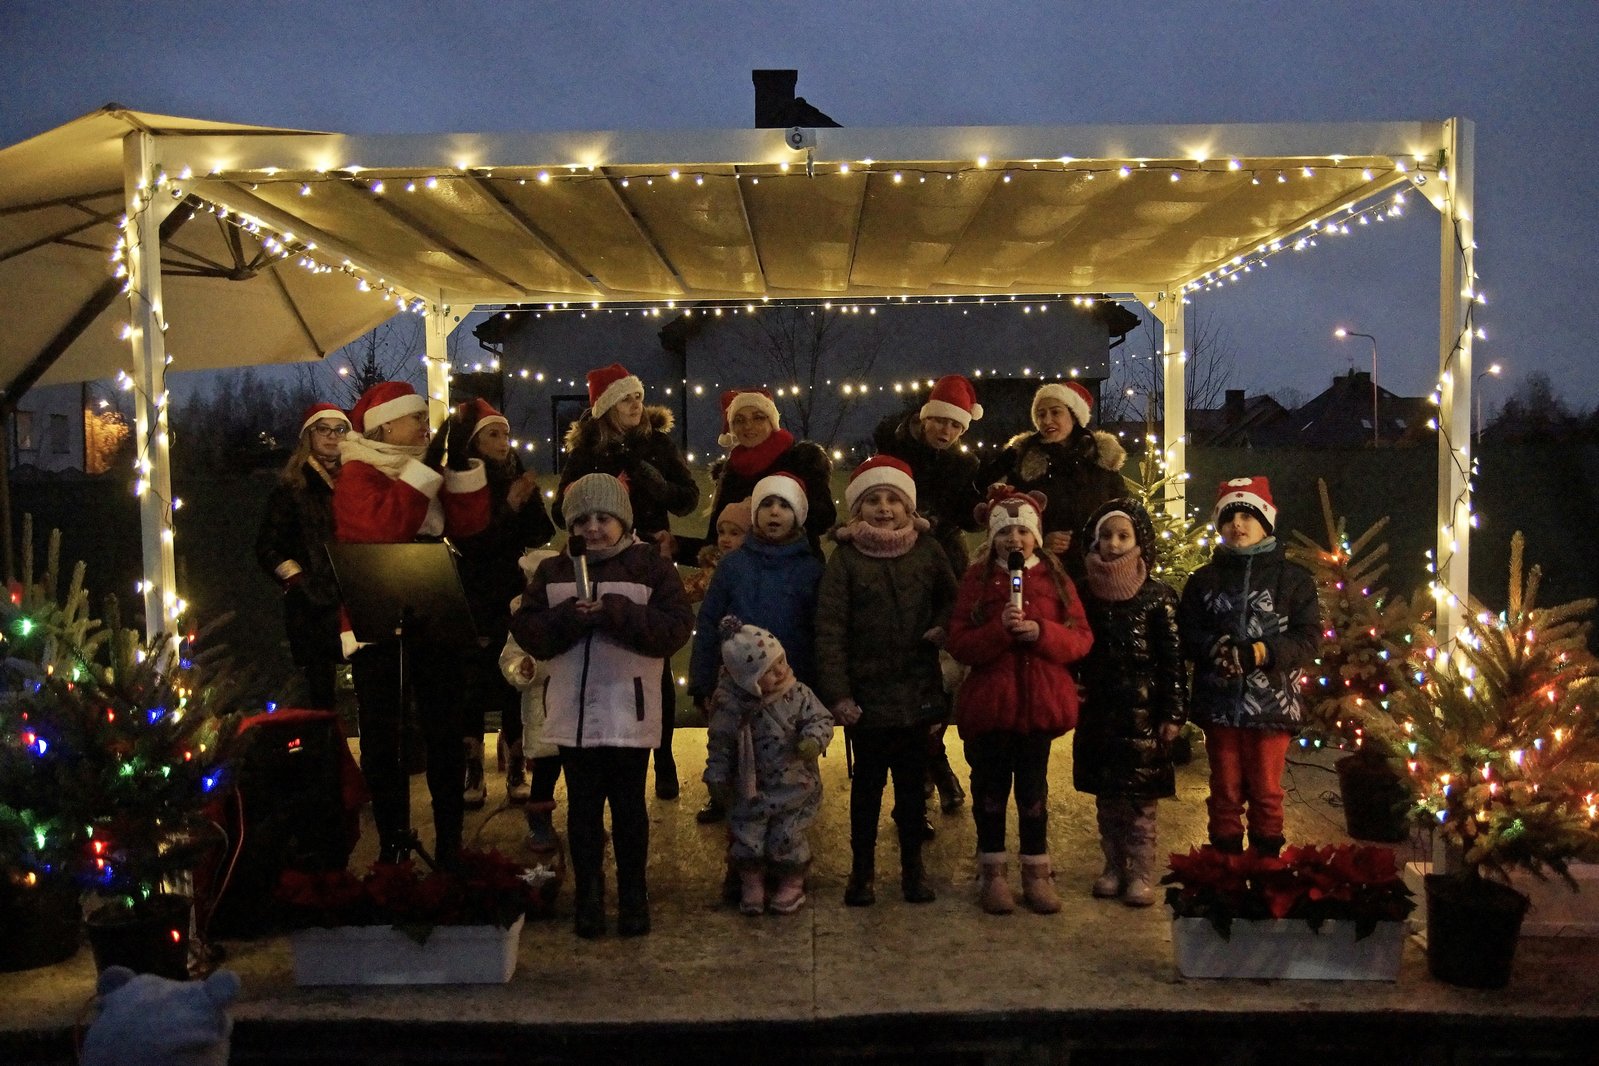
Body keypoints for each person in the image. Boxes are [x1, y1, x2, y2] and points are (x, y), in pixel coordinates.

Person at [510, 473, 694, 938]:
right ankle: (588, 897)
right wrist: (568, 618)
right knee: (583, 811)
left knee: (629, 809)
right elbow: (530, 630)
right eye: (582, 520)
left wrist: (615, 612)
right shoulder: (553, 571)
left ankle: (634, 896)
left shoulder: (650, 568)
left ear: (623, 521)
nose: (592, 528)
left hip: (628, 712)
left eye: (603, 518)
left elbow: (674, 628)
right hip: (573, 713)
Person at [332, 381, 490, 867]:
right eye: (415, 417)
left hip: (434, 604)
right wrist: (425, 472)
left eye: (425, 417)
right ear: (383, 427)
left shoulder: (424, 468)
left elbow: (471, 526)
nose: (425, 424)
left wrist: (459, 469)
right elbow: (386, 528)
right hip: (379, 618)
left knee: (445, 730)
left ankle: (449, 843)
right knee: (385, 738)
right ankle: (393, 845)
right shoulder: (357, 474)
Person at [815, 456, 958, 906]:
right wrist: (839, 693)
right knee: (867, 788)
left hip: (917, 691)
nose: (883, 508)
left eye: (893, 500)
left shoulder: (927, 551)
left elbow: (951, 599)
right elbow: (830, 628)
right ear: (857, 508)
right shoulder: (846, 559)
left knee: (912, 789)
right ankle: (862, 871)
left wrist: (942, 626)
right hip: (867, 698)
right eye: (873, 500)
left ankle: (913, 869)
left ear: (907, 507)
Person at [945, 487, 1093, 915]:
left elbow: (1081, 637)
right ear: (992, 537)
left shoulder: (1055, 578)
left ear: (1036, 536)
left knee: (1033, 793)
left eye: (1023, 530)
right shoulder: (977, 580)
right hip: (992, 706)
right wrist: (998, 631)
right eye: (1005, 531)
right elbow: (960, 641)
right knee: (990, 791)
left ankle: (1036, 871)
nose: (1015, 539)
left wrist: (1042, 632)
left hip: (1037, 705)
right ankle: (992, 870)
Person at [555, 363, 699, 801]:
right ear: (606, 406)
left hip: (649, 558)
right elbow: (560, 509)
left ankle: (664, 756)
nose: (636, 405)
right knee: (612, 656)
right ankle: (610, 746)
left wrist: (653, 481)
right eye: (625, 399)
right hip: (600, 562)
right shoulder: (587, 450)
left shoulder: (656, 444)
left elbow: (687, 498)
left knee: (655, 660)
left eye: (638, 396)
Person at [1177, 477, 1320, 858]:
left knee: (1266, 791)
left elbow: (1308, 639)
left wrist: (1259, 652)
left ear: (1266, 521)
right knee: (1224, 789)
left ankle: (1265, 866)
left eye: (1247, 515)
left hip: (1272, 707)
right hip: (1219, 705)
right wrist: (1215, 648)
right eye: (1228, 517)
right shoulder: (1203, 580)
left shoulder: (1294, 580)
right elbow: (1187, 632)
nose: (1237, 524)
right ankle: (1224, 865)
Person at [873, 373, 986, 816]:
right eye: (941, 421)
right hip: (895, 559)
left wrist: (979, 510)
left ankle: (930, 765)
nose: (946, 431)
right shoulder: (892, 447)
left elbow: (965, 513)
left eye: (956, 426)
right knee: (906, 667)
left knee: (941, 673)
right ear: (925, 417)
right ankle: (930, 769)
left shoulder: (962, 465)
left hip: (942, 562)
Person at [689, 474, 823, 826]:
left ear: (798, 515)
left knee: (789, 753)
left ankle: (790, 822)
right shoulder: (733, 565)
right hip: (737, 683)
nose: (774, 512)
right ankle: (728, 803)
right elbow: (709, 622)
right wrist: (702, 681)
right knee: (732, 745)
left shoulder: (810, 569)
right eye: (767, 504)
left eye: (784, 505)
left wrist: (818, 685)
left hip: (787, 684)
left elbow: (819, 630)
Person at [1074, 498, 1186, 907]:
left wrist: (1173, 712)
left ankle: (1140, 872)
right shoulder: (1084, 594)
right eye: (1106, 535)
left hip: (1144, 714)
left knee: (1140, 802)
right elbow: (1074, 646)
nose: (1114, 543)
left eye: (1124, 535)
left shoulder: (1158, 597)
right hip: (1100, 712)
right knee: (1108, 800)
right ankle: (1113, 866)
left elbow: (1173, 660)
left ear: (1140, 541)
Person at [452, 398, 555, 808]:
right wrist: (509, 506)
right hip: (473, 592)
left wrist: (527, 500)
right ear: (474, 442)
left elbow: (541, 533)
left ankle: (515, 765)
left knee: (515, 675)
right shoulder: (463, 481)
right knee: (472, 682)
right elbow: (472, 544)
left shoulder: (516, 476)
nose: (503, 442)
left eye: (506, 434)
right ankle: (473, 769)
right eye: (493, 434)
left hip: (512, 590)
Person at [704, 616, 834, 916]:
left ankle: (791, 882)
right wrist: (717, 775)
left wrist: (813, 739)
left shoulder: (797, 694)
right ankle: (751, 884)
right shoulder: (730, 705)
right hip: (750, 789)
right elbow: (720, 743)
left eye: (781, 662)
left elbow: (820, 718)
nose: (781, 672)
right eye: (769, 671)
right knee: (747, 837)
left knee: (787, 836)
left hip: (793, 785)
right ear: (747, 679)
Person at [981, 380, 1125, 584]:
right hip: (1042, 574)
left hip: (1096, 570)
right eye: (1041, 415)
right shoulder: (1024, 462)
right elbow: (1011, 518)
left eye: (1055, 412)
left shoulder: (1100, 462)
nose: (1047, 420)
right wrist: (1039, 540)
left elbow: (1121, 512)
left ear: (1073, 416)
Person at [254, 402, 349, 710]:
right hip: (312, 606)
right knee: (320, 695)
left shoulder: (356, 481)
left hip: (354, 597)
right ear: (309, 434)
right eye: (324, 429)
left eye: (340, 429)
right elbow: (267, 546)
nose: (332, 436)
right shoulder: (292, 486)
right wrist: (298, 581)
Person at [673, 388, 835, 560]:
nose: (748, 426)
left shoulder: (801, 459)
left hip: (795, 568)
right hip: (744, 571)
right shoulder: (731, 472)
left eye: (758, 418)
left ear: (772, 421)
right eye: (739, 420)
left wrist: (769, 511)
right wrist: (676, 546)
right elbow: (718, 541)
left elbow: (823, 519)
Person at [499, 548, 563, 857]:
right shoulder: (524, 622)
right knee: (546, 772)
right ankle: (539, 821)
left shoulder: (573, 615)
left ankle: (584, 820)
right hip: (542, 710)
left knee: (583, 772)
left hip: (574, 709)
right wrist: (524, 668)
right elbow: (510, 658)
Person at [681, 499, 751, 603]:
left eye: (734, 533)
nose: (725, 539)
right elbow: (683, 592)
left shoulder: (752, 570)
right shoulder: (714, 568)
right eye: (721, 532)